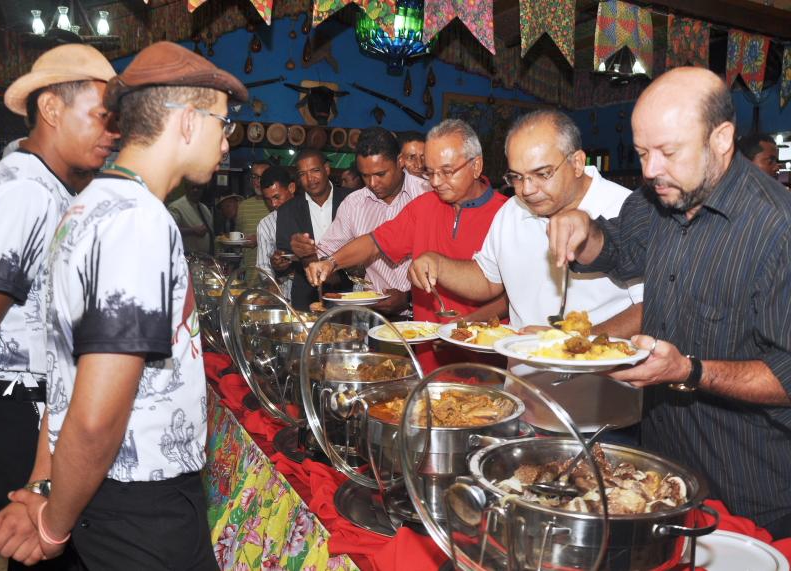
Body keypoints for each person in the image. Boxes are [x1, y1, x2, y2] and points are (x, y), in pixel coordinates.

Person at [0, 41, 247, 568]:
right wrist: (54, 526)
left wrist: (44, 484)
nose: (226, 143)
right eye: (223, 124)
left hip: (105, 491)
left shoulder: (87, 205)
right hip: (140, 506)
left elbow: (64, 374)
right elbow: (94, 416)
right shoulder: (137, 221)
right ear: (187, 122)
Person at [548, 67, 791, 536]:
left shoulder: (778, 229)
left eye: (668, 152)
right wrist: (584, 230)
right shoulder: (656, 197)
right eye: (643, 153)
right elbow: (619, 249)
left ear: (721, 139)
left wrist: (689, 371)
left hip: (751, 489)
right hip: (663, 470)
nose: (650, 170)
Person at [408, 110, 644, 436]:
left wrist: (573, 343)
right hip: (523, 409)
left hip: (602, 420)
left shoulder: (625, 209)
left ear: (577, 162)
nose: (527, 189)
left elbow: (650, 308)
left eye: (541, 174)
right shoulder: (512, 211)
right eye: (516, 177)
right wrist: (438, 263)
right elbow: (487, 279)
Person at [0, 43, 117, 569]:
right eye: (102, 117)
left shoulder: (50, 187)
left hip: (38, 414)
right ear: (51, 109)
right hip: (14, 409)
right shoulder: (25, 190)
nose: (113, 133)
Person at [306, 119, 508, 371]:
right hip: (429, 359)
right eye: (430, 172)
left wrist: (461, 328)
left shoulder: (506, 215)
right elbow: (374, 242)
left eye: (446, 172)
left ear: (476, 166)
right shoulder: (424, 206)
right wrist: (331, 262)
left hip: (488, 362)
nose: (435, 182)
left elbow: (511, 296)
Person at [309, 127, 429, 317]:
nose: (372, 183)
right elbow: (327, 254)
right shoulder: (353, 204)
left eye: (380, 174)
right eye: (365, 175)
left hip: (424, 315)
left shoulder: (427, 195)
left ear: (400, 161)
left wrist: (409, 298)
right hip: (374, 316)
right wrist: (318, 262)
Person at [277, 149, 352, 310]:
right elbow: (284, 257)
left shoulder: (352, 200)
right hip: (306, 296)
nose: (310, 179)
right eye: (303, 174)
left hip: (348, 293)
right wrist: (278, 262)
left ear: (327, 169)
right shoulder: (287, 210)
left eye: (315, 171)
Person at [256, 166, 296, 299]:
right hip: (285, 296)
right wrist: (270, 282)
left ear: (291, 188)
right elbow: (263, 266)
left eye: (277, 197)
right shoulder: (265, 224)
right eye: (267, 199)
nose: (273, 204)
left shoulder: (311, 213)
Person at [235, 160, 272, 263]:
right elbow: (238, 238)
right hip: (247, 270)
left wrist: (259, 240)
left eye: (262, 177)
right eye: (254, 177)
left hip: (272, 270)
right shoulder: (243, 206)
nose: (257, 181)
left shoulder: (277, 204)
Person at [168, 183, 214, 255]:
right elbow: (169, 230)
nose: (195, 190)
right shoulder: (176, 207)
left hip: (206, 257)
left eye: (199, 188)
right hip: (186, 258)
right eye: (192, 187)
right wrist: (192, 231)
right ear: (186, 188)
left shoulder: (205, 209)